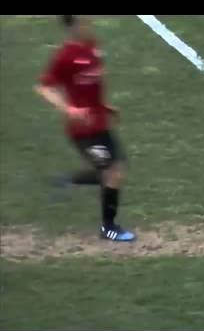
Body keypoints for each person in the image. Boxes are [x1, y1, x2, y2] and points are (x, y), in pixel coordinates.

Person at [35, 15, 135, 242]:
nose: (89, 23)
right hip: (83, 130)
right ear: (72, 26)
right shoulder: (65, 56)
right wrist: (69, 109)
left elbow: (91, 86)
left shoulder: (92, 46)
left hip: (100, 122)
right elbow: (44, 87)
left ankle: (71, 180)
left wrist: (105, 107)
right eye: (83, 21)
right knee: (111, 172)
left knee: (117, 169)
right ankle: (108, 228)